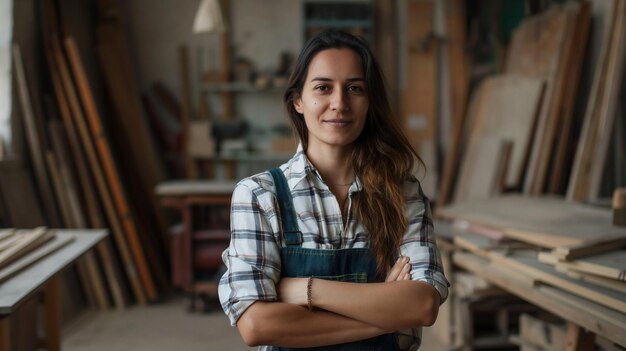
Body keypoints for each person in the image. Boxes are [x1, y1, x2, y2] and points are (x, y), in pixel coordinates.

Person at [218, 29, 449, 350]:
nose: (339, 103)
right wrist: (387, 311)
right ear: (297, 100)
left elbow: (422, 306)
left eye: (354, 88)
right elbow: (257, 325)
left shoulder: (402, 192)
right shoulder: (259, 195)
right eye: (323, 88)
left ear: (370, 102)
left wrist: (309, 290)